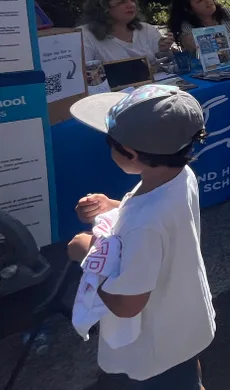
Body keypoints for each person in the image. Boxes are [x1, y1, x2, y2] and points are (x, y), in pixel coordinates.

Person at [67, 85, 215, 388]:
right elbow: (157, 217)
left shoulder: (144, 223)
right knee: (187, 375)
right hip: (185, 317)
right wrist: (113, 206)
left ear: (131, 154)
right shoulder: (180, 175)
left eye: (110, 142)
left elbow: (128, 305)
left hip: (154, 342)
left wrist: (88, 253)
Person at [80, 0, 173, 64]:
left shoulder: (146, 30)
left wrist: (164, 51)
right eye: (122, 2)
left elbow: (165, 63)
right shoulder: (84, 36)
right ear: (103, 8)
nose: (131, 5)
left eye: (133, 1)